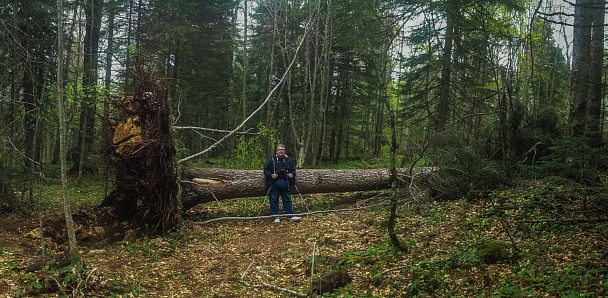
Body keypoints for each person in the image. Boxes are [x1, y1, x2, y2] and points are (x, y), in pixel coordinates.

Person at [263, 144, 301, 223]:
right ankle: (275, 217)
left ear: (284, 151)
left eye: (282, 149)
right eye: (279, 149)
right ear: (276, 151)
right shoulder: (272, 160)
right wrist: (271, 175)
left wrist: (291, 174)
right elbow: (265, 169)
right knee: (274, 199)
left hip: (286, 182)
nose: (281, 151)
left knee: (287, 199)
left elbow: (293, 170)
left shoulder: (288, 160)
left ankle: (290, 216)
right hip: (274, 183)